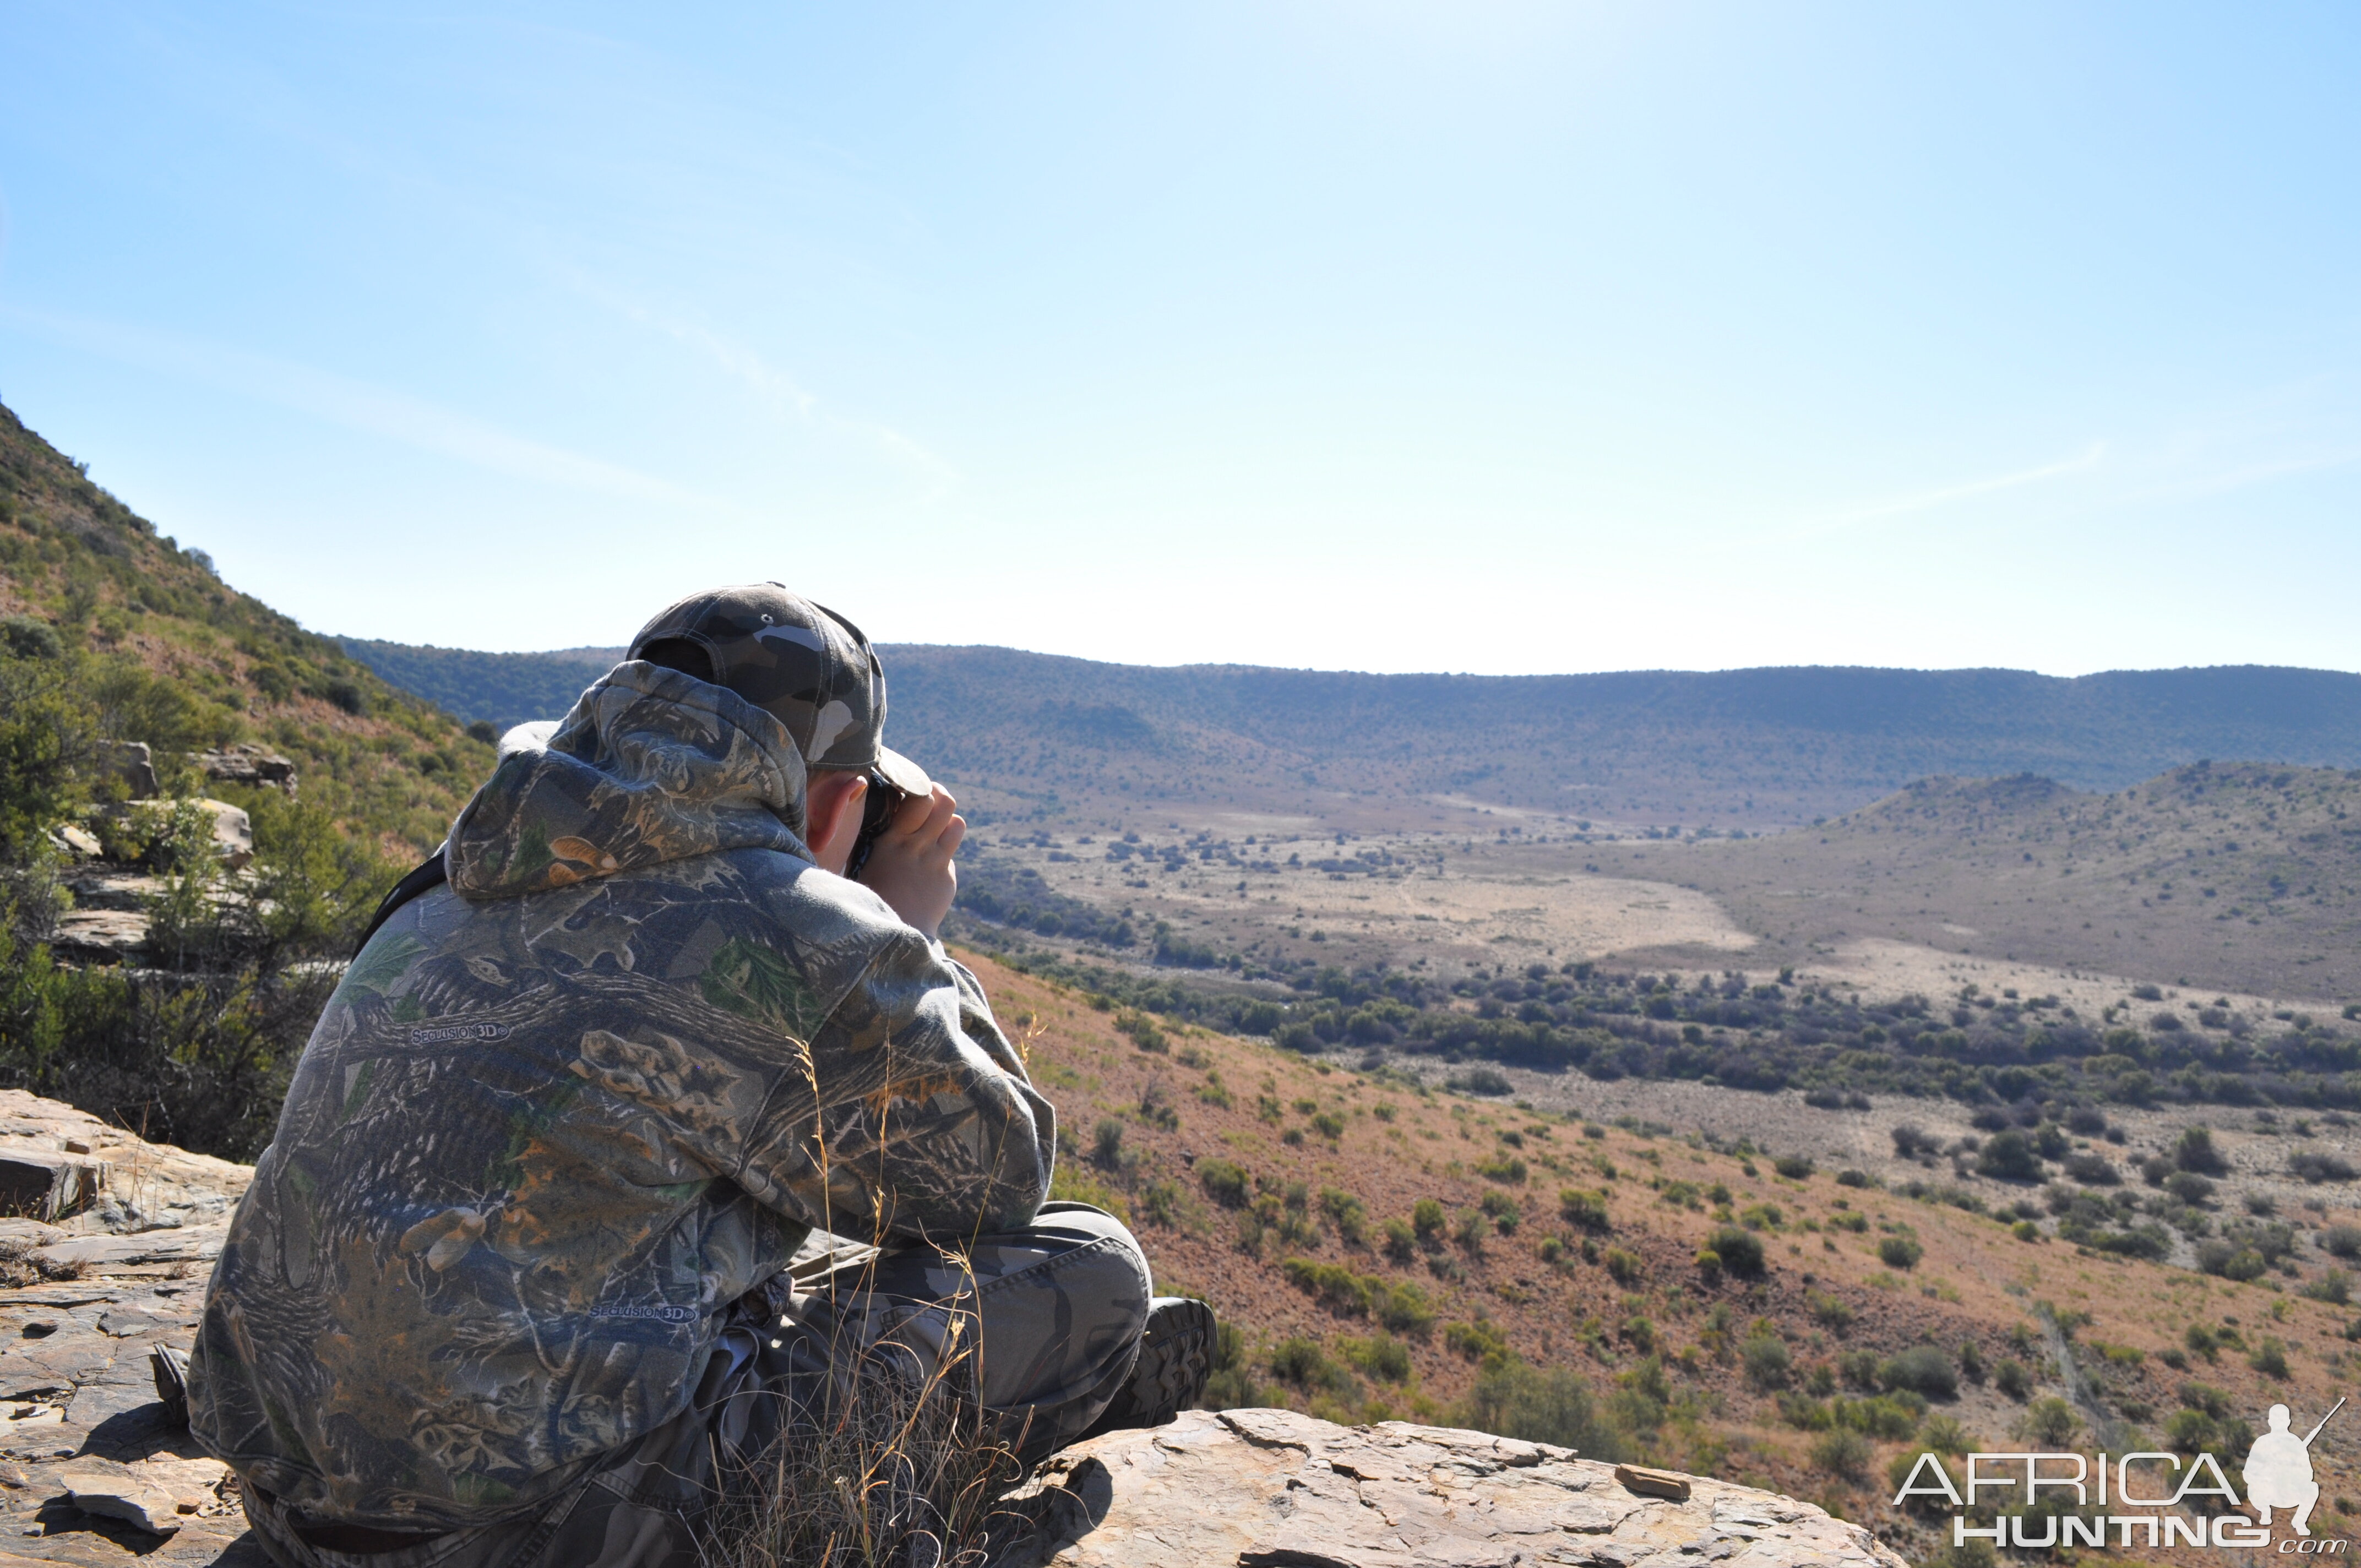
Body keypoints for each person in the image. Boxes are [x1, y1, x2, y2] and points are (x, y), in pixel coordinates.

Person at [186, 584, 1214, 1567]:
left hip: (288, 1502)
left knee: (749, 1234)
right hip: (539, 1537)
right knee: (1091, 1263)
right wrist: (905, 934)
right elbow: (997, 1182)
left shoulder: (457, 871)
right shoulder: (794, 925)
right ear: (835, 803)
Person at [2244, 1401, 2332, 1536]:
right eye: (2276, 1418)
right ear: (2270, 1422)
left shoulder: (2296, 1443)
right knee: (2254, 1488)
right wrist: (2267, 1473)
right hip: (2266, 1493)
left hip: (2288, 1493)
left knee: (2313, 1488)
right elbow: (2248, 1473)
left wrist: (2292, 1471)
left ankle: (2300, 1521)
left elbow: (2309, 1474)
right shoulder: (2262, 1442)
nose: (2279, 1422)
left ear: (2288, 1421)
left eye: (2282, 1418)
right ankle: (2265, 1512)